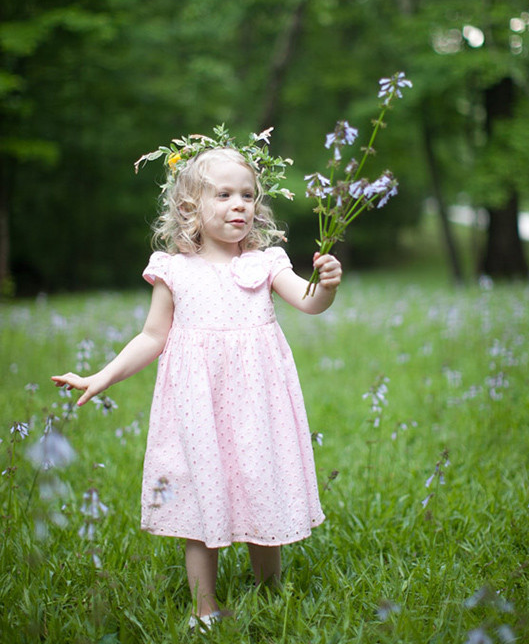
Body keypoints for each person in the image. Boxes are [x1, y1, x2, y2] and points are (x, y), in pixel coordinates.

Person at [52, 132, 342, 630]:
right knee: (200, 495)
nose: (239, 205)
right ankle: (204, 610)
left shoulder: (266, 262)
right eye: (223, 194)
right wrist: (101, 376)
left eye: (247, 195)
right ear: (190, 208)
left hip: (257, 404)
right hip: (198, 407)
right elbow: (152, 336)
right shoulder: (175, 271)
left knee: (260, 486)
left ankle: (270, 596)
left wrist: (327, 285)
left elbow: (309, 301)